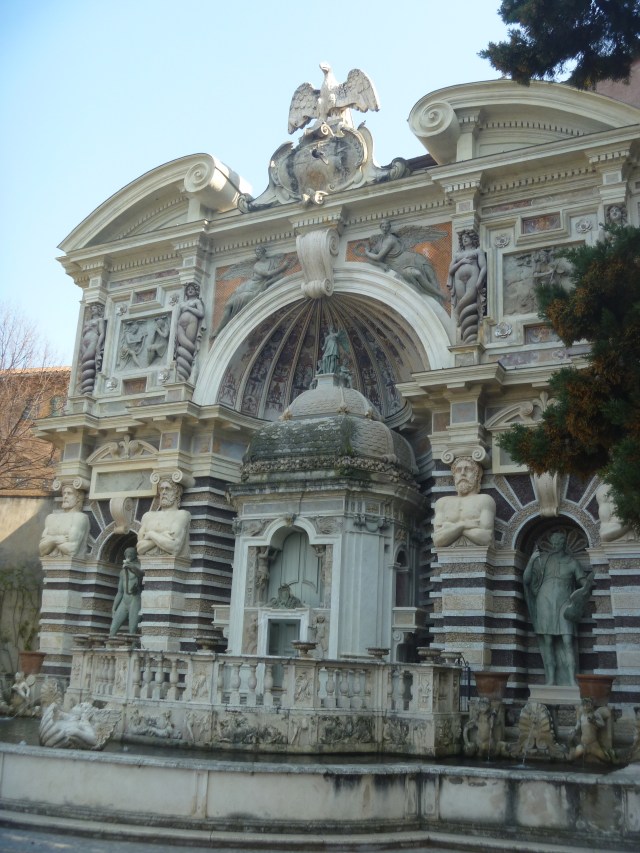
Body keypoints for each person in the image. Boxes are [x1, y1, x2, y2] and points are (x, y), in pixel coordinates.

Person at [523, 531, 594, 686]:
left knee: (567, 640)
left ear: (564, 544)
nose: (555, 546)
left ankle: (571, 679)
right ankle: (551, 679)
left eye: (558, 543)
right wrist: (531, 561)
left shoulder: (572, 562)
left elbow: (584, 585)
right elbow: (526, 580)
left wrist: (586, 587)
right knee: (547, 641)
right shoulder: (543, 560)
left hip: (564, 604)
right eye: (553, 543)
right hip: (545, 602)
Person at [214, 246, 290, 336]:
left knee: (229, 305)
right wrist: (283, 267)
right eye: (256, 250)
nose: (257, 252)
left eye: (259, 250)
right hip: (248, 286)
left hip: (255, 290)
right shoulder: (256, 265)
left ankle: (220, 330)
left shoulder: (271, 261)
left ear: (263, 251)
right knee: (228, 305)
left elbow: (274, 275)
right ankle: (219, 330)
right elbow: (267, 274)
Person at [364, 220, 443, 302]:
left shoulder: (390, 239)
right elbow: (370, 260)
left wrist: (367, 252)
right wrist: (381, 265)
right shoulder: (379, 243)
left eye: (386, 226)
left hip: (410, 258)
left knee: (429, 272)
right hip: (399, 265)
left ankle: (438, 297)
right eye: (383, 227)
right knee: (417, 273)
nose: (384, 228)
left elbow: (377, 257)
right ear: (380, 228)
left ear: (389, 227)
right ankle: (438, 295)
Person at [433, 457, 496, 548]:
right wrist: (464, 525)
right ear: (454, 476)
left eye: (468, 469)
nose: (462, 473)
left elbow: (486, 539)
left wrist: (452, 528)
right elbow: (438, 541)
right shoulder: (442, 503)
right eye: (458, 470)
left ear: (477, 475)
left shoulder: (485, 500)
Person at [447, 230, 486, 342]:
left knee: (469, 299)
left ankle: (470, 338)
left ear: (472, 239)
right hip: (459, 279)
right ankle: (465, 333)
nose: (464, 239)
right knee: (461, 302)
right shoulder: (457, 254)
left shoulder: (477, 251)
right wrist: (461, 262)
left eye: (467, 237)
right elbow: (451, 270)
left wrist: (479, 280)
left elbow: (483, 267)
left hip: (473, 275)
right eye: (463, 238)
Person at [136, 479, 191, 559]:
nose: (163, 492)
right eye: (161, 489)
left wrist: (151, 534)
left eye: (168, 489)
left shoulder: (181, 515)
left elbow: (174, 547)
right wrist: (162, 536)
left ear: (177, 493)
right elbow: (140, 549)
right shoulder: (147, 516)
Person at [39, 484, 90, 559]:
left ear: (78, 498)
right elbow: (42, 550)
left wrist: (50, 540)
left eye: (69, 493)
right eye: (64, 493)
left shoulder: (79, 517)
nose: (65, 496)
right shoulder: (51, 518)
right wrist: (56, 539)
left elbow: (72, 550)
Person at [110, 547, 144, 636]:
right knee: (113, 628)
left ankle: (132, 647)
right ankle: (109, 646)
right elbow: (120, 592)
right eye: (127, 554)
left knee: (132, 628)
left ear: (135, 555)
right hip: (124, 601)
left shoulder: (138, 566)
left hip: (135, 599)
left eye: (131, 553)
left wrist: (132, 567)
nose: (129, 555)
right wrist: (114, 606)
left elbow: (141, 574)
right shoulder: (122, 572)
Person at [175, 282, 205, 381]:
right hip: (180, 325)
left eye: (192, 289)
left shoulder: (197, 301)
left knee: (188, 345)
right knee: (181, 346)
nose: (190, 290)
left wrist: (188, 308)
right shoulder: (182, 303)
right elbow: (176, 317)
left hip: (192, 323)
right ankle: (181, 377)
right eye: (188, 289)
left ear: (196, 291)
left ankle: (184, 377)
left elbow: (201, 313)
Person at [78, 303, 106, 395]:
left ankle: (87, 392)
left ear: (98, 309)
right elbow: (82, 334)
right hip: (85, 342)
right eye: (92, 308)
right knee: (84, 362)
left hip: (93, 340)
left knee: (89, 362)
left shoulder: (99, 320)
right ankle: (84, 390)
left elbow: (102, 333)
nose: (92, 309)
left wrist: (99, 344)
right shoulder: (87, 322)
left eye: (94, 308)